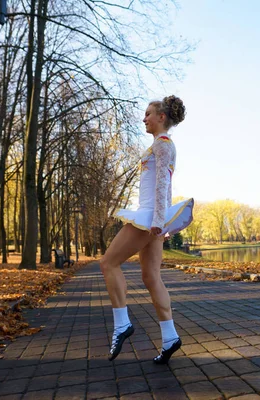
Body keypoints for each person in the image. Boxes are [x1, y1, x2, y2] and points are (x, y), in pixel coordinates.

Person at [100, 95, 194, 364]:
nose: (144, 118)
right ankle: (170, 337)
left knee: (108, 263)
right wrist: (162, 221)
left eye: (148, 113)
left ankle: (121, 324)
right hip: (155, 217)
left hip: (150, 217)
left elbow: (163, 183)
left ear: (161, 117)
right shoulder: (161, 145)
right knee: (151, 277)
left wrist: (158, 221)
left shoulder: (163, 145)